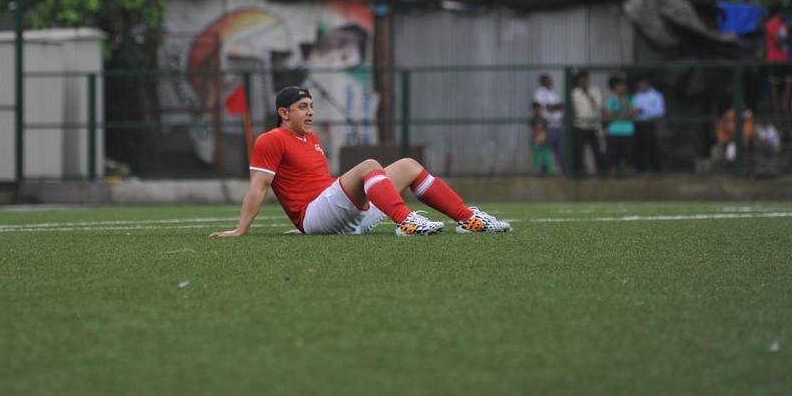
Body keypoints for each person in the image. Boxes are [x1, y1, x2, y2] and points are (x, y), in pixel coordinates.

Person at [210, 86, 511, 237]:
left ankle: (468, 219)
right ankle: (406, 222)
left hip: (334, 217)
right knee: (369, 165)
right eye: (302, 107)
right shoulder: (270, 139)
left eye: (312, 106)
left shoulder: (310, 138)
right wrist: (241, 230)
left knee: (408, 164)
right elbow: (259, 187)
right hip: (315, 215)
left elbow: (314, 184)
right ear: (283, 113)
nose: (311, 112)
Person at [570, 70, 605, 176]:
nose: (582, 82)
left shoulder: (595, 91)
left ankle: (601, 172)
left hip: (593, 126)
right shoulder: (575, 93)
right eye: (580, 80)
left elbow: (598, 107)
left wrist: (588, 95)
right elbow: (573, 109)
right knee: (579, 151)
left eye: (583, 80)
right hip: (580, 126)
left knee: (597, 151)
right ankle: (581, 173)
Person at [603, 75, 637, 176]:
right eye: (619, 86)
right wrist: (625, 113)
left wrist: (622, 108)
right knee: (613, 157)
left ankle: (630, 178)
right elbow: (609, 115)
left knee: (629, 157)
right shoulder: (611, 101)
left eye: (623, 86)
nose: (622, 88)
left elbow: (633, 114)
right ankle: (613, 177)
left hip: (628, 131)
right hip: (614, 131)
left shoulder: (631, 99)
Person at [633, 76, 665, 172]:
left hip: (650, 124)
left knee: (651, 146)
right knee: (639, 147)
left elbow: (660, 112)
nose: (641, 85)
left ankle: (654, 169)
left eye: (643, 83)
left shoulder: (656, 96)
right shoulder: (637, 95)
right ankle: (641, 169)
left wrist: (644, 110)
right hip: (638, 124)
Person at [532, 73, 564, 171]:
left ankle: (561, 167)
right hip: (548, 126)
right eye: (547, 80)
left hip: (558, 125)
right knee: (547, 148)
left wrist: (557, 106)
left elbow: (561, 106)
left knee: (559, 148)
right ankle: (544, 168)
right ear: (542, 82)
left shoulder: (552, 93)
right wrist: (557, 106)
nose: (550, 82)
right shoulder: (540, 93)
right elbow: (548, 107)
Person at [530, 102, 555, 175]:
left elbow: (546, 129)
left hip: (544, 139)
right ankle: (536, 170)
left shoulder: (543, 119)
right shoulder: (533, 119)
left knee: (546, 155)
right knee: (536, 155)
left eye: (539, 109)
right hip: (536, 140)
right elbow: (533, 130)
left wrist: (543, 136)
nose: (538, 111)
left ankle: (550, 170)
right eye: (536, 109)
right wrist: (536, 137)